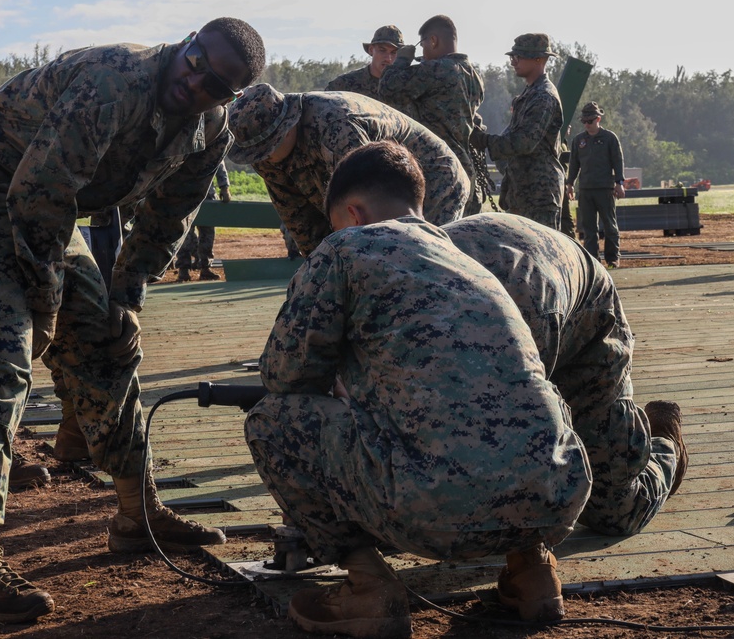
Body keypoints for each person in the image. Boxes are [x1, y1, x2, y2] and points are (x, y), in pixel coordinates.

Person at [0, 17, 265, 623]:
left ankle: (137, 512)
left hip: (53, 208)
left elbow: (167, 218)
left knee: (107, 341)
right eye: (195, 60)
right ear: (185, 43)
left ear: (231, 97)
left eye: (216, 85)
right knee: (2, 357)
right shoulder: (113, 81)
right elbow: (37, 193)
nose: (196, 81)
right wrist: (45, 304)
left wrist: (126, 297)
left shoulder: (210, 132)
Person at [246, 141, 591, 637]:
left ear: (353, 212)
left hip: (434, 511)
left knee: (271, 421)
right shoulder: (467, 259)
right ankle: (533, 570)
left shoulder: (346, 247)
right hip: (559, 498)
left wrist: (343, 384)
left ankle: (368, 589)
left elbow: (283, 377)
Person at [443, 213, 687, 536]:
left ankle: (664, 442)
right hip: (516, 272)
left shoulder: (502, 330)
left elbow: (527, 445)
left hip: (584, 316)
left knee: (613, 508)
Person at [227, 83, 470, 255]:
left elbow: (375, 210)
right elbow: (301, 224)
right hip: (383, 185)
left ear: (286, 126)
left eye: (265, 149)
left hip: (433, 177)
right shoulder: (266, 157)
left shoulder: (336, 126)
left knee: (419, 255)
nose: (262, 160)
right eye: (255, 154)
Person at [379, 14, 488, 216]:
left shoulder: (437, 69)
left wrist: (403, 59)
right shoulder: (473, 74)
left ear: (433, 40)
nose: (424, 52)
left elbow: (388, 88)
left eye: (423, 45)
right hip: (466, 167)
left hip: (439, 170)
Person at [470, 33, 564, 229]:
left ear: (538, 59)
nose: (513, 62)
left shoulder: (543, 96)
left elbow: (524, 142)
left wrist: (486, 141)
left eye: (518, 57)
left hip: (539, 194)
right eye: (512, 57)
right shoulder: (529, 94)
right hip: (523, 191)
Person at [566, 102, 626, 268]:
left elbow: (617, 161)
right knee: (589, 228)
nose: (587, 124)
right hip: (585, 189)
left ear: (598, 119)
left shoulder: (609, 138)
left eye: (590, 121)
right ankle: (593, 260)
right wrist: (570, 184)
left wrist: (619, 182)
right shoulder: (579, 140)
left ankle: (613, 258)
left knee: (610, 226)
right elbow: (574, 164)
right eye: (584, 121)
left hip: (605, 188)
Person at [325, 25, 409, 112]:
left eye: (394, 52)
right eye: (382, 50)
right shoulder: (346, 84)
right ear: (371, 50)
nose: (388, 58)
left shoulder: (407, 87)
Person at [176, 161, 230, 281]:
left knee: (207, 234)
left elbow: (219, 163)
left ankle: (205, 268)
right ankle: (183, 269)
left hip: (206, 194)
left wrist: (224, 187)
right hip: (183, 195)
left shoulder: (212, 142)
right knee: (185, 235)